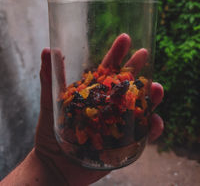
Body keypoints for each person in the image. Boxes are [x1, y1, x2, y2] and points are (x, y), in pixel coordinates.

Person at [1, 38, 164, 186]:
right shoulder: (76, 106)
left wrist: (48, 167)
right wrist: (47, 164)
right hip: (75, 140)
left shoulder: (126, 99)